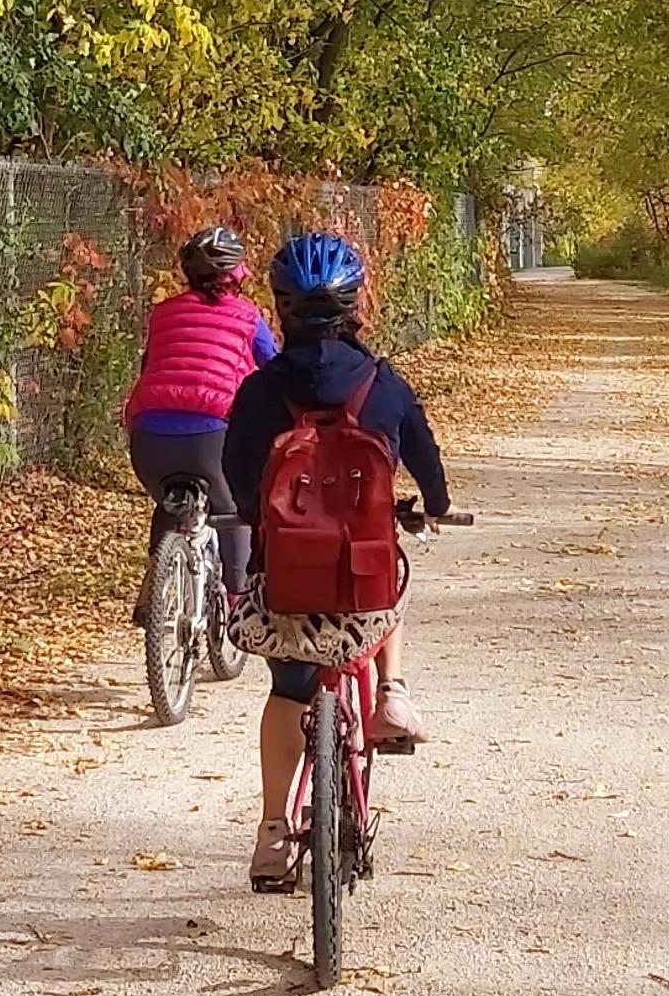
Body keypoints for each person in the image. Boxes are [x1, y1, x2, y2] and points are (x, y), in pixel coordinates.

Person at [222, 228, 450, 890]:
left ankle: (272, 832)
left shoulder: (262, 392)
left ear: (281, 309)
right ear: (356, 306)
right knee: (393, 573)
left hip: (286, 588)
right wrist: (431, 504)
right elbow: (426, 461)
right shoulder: (383, 383)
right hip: (362, 594)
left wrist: (257, 514)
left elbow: (238, 473)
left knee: (286, 690)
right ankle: (394, 696)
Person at [122, 225, 277, 613]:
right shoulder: (247, 317)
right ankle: (239, 599)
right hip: (213, 432)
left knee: (168, 503)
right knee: (233, 510)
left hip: (149, 434)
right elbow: (274, 368)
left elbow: (151, 365)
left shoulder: (163, 314)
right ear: (235, 273)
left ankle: (156, 582)